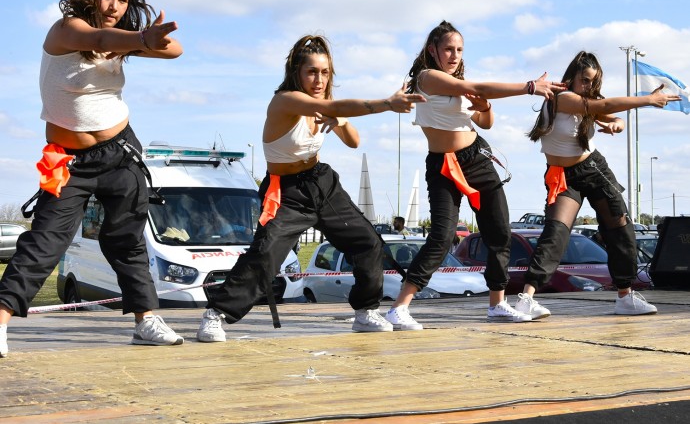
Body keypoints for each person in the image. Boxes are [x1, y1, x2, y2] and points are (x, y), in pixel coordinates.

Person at [0, 0, 184, 358]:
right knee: (47, 240)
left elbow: (175, 50)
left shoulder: (122, 38)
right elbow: (99, 39)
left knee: (127, 240)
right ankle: (0, 319)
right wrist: (139, 41)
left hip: (121, 153)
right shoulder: (67, 29)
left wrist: (145, 39)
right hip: (68, 160)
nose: (114, 6)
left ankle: (146, 320)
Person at [196, 35, 425, 342]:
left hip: (321, 183)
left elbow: (353, 141)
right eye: (312, 72)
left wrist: (340, 120)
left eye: (325, 72)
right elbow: (337, 104)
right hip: (285, 191)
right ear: (297, 73)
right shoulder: (286, 100)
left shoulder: (325, 106)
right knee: (266, 255)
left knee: (368, 242)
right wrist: (386, 104)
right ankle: (216, 314)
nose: (319, 79)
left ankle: (365, 312)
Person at [385, 20, 566, 331]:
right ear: (433, 50)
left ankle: (497, 305)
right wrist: (529, 87)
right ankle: (399, 307)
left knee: (499, 233)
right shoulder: (429, 78)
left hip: (477, 159)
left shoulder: (461, 82)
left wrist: (484, 107)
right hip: (444, 165)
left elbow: (486, 122)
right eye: (448, 49)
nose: (454, 55)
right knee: (442, 237)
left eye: (459, 50)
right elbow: (475, 89)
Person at [513, 51, 680, 319]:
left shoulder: (586, 101)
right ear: (572, 77)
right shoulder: (561, 97)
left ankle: (625, 296)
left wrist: (617, 124)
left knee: (620, 227)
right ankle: (526, 299)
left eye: (593, 82)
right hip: (562, 175)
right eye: (585, 80)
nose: (588, 86)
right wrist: (648, 100)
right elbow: (600, 107)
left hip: (593, 169)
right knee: (555, 233)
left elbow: (610, 114)